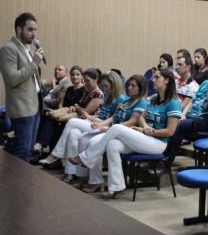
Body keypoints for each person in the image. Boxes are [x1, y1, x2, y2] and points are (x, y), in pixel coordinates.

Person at [75, 69, 181, 199]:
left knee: (116, 128)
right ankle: (116, 187)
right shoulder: (154, 98)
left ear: (167, 80)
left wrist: (148, 131)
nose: (152, 80)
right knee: (112, 145)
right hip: (146, 137)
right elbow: (141, 117)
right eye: (153, 77)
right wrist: (145, 126)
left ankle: (86, 157)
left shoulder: (174, 103)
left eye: (157, 77)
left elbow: (170, 131)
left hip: (158, 143)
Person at [66, 75, 149, 192]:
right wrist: (100, 125)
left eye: (133, 86)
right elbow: (113, 117)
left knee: (93, 142)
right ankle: (82, 177)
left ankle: (96, 181)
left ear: (141, 88)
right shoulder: (126, 100)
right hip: (111, 129)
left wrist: (109, 128)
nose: (129, 88)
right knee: (82, 138)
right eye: (129, 85)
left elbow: (132, 122)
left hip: (122, 134)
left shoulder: (142, 102)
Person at [39, 71, 121, 182]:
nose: (105, 89)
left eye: (106, 86)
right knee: (74, 133)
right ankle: (74, 174)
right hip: (96, 121)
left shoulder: (114, 98)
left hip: (104, 126)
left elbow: (113, 119)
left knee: (72, 122)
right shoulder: (107, 96)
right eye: (104, 86)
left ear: (114, 85)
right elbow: (100, 115)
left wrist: (93, 119)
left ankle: (56, 155)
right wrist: (91, 117)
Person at [0, 12, 44, 161]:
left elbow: (30, 78)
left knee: (27, 149)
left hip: (35, 105)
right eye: (30, 29)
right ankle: (13, 175)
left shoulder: (27, 49)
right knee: (22, 150)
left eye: (35, 30)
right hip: (22, 107)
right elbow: (12, 79)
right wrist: (34, 63)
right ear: (19, 29)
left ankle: (11, 172)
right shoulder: (9, 49)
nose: (34, 34)